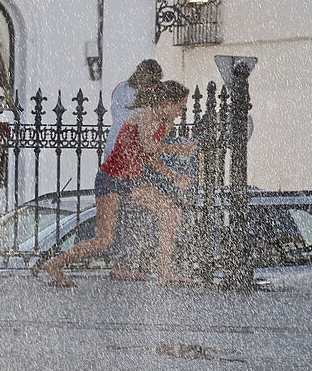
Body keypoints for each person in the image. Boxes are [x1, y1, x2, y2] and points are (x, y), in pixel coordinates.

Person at [42, 81, 197, 288]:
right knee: (103, 240)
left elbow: (150, 158)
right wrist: (178, 149)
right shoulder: (144, 115)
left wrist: (174, 176)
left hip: (132, 180)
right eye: (180, 107)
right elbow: (149, 146)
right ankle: (55, 264)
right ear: (167, 103)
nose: (180, 112)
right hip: (111, 179)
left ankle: (164, 274)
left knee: (171, 212)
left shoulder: (165, 123)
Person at [103, 59, 163, 282]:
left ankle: (120, 264)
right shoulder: (149, 98)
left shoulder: (120, 88)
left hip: (112, 150)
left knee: (117, 214)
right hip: (131, 155)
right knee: (134, 215)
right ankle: (126, 266)